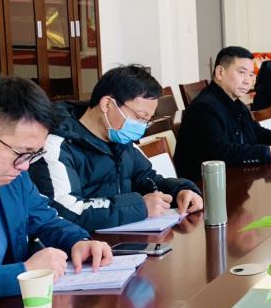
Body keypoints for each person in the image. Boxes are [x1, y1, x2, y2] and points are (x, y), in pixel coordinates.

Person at [0, 77, 112, 308]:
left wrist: (78, 242)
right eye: (21, 153)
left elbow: (44, 220)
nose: (25, 166)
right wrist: (20, 274)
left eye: (33, 154)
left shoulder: (11, 176)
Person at [30, 65, 203, 233]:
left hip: (125, 239)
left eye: (147, 120)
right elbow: (63, 210)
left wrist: (181, 191)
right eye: (139, 117)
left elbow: (147, 179)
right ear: (107, 104)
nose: (142, 127)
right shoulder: (56, 144)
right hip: (84, 245)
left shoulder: (120, 138)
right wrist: (139, 206)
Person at [174, 46, 271, 182]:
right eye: (241, 72)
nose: (247, 81)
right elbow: (221, 153)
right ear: (220, 72)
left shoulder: (236, 103)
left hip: (233, 178)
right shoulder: (204, 107)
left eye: (251, 75)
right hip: (205, 187)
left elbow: (257, 132)